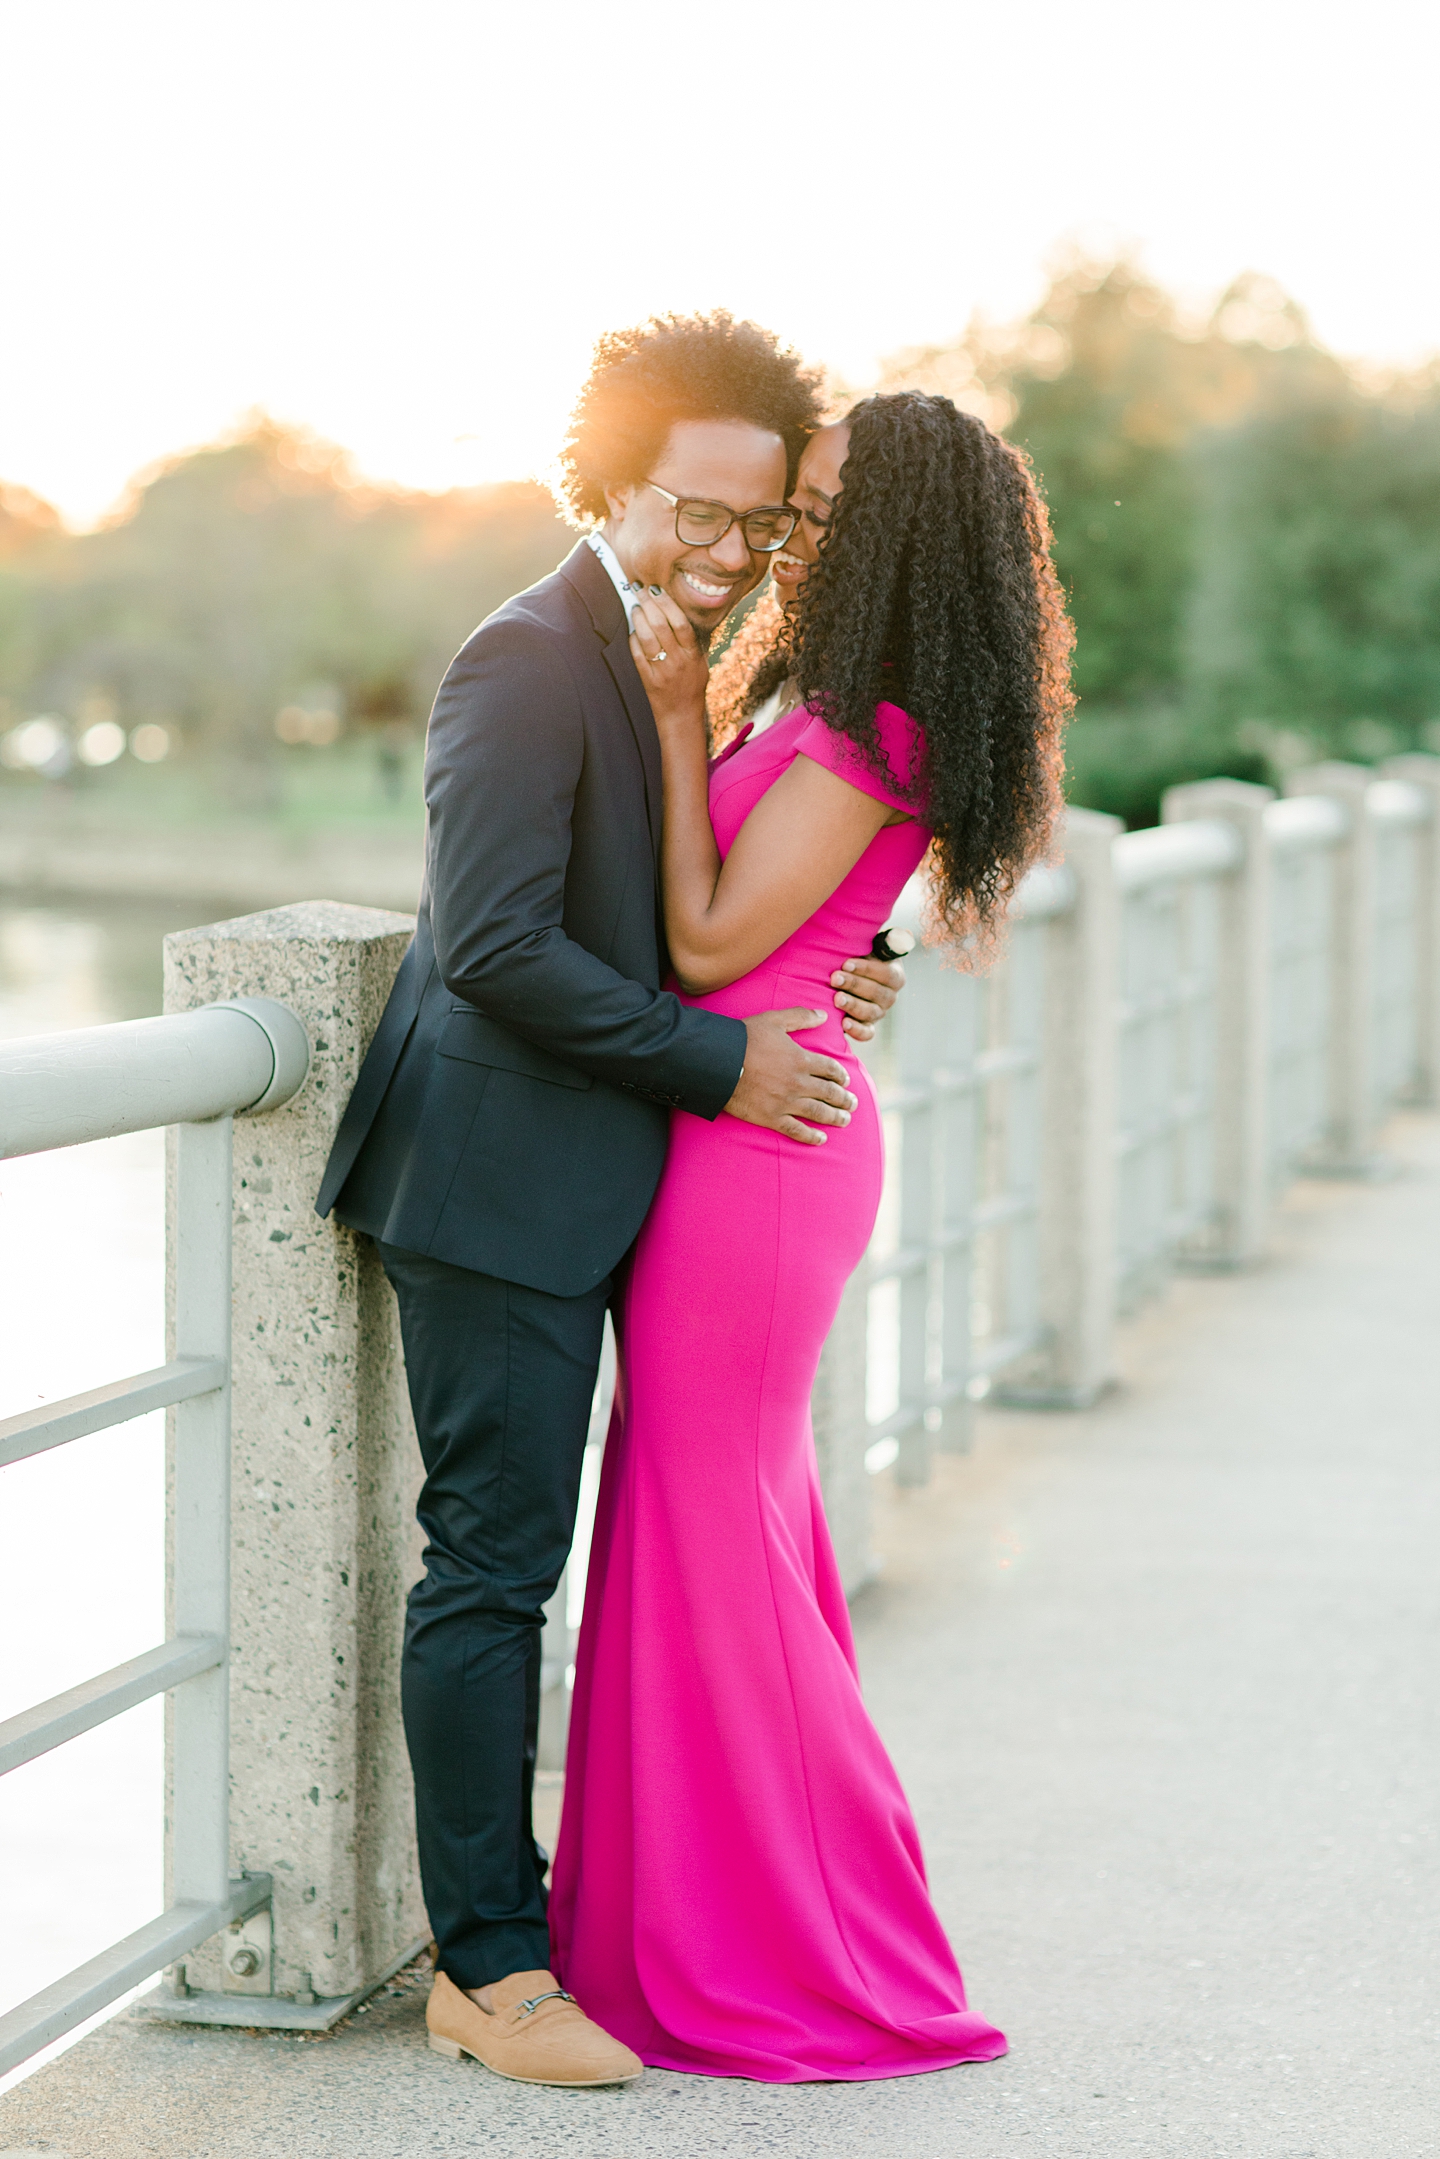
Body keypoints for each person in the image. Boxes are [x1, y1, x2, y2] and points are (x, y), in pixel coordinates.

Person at [314, 314, 906, 2087]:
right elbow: (492, 946)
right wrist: (723, 1067)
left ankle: (558, 1924)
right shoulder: (525, 658)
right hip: (495, 1178)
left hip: (614, 1185)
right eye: (695, 516)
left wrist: (847, 957)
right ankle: (488, 1971)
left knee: (546, 1563)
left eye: (760, 530)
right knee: (494, 1570)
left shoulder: (670, 656)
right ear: (609, 483)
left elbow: (690, 893)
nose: (727, 558)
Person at [549, 391, 1073, 2080]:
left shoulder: (867, 726)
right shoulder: (848, 704)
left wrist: (677, 709)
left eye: (833, 508)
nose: (800, 533)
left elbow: (704, 947)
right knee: (702, 1528)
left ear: (906, 532)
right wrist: (868, 955)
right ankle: (678, 1928)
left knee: (721, 1544)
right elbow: (818, 917)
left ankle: (818, 1944)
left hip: (761, 1153)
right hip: (753, 1126)